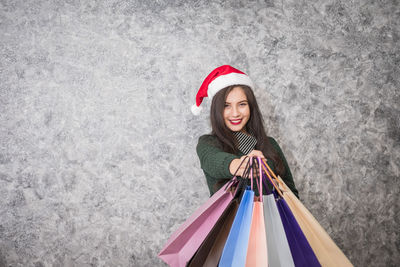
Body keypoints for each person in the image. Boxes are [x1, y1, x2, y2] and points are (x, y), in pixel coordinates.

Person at [191, 65, 299, 198]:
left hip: (273, 218)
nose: (235, 113)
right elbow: (214, 161)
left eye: (242, 104)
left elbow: (291, 194)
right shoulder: (208, 143)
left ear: (251, 107)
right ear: (216, 110)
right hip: (234, 219)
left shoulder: (270, 144)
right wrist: (241, 164)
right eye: (226, 106)